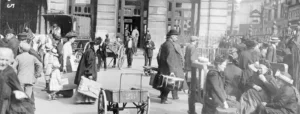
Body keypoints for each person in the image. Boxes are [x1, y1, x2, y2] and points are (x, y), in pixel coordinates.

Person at [157, 29, 186, 104]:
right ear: (172, 37)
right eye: (176, 36)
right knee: (168, 84)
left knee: (166, 84)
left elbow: (159, 56)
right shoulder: (170, 45)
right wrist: (172, 71)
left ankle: (164, 98)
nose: (177, 38)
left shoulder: (165, 44)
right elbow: (170, 58)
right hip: (169, 68)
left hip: (164, 67)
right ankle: (164, 99)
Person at [12, 42, 43, 111]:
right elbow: (40, 65)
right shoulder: (32, 57)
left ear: (21, 49)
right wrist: (37, 74)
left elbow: (13, 67)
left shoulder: (18, 57)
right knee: (28, 97)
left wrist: (16, 74)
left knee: (20, 97)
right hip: (30, 79)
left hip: (20, 79)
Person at [0, 47, 30, 114]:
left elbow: (17, 86)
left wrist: (24, 101)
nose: (4, 62)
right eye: (1, 59)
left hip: (3, 101)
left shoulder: (9, 72)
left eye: (6, 60)